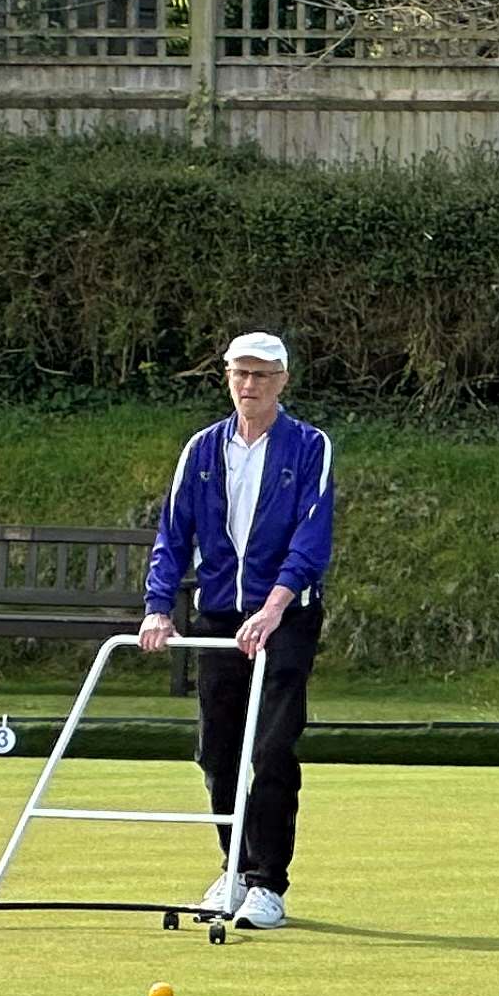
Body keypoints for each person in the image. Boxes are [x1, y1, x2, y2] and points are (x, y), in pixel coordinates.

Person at [137, 330, 337, 932]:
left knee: (271, 748)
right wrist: (157, 607)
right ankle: (234, 870)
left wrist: (274, 606)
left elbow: (312, 534)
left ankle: (267, 883)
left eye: (261, 376)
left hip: (287, 615)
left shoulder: (309, 447)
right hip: (221, 615)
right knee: (218, 752)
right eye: (239, 375)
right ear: (227, 377)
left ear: (282, 381)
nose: (249, 386)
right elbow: (173, 535)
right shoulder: (201, 450)